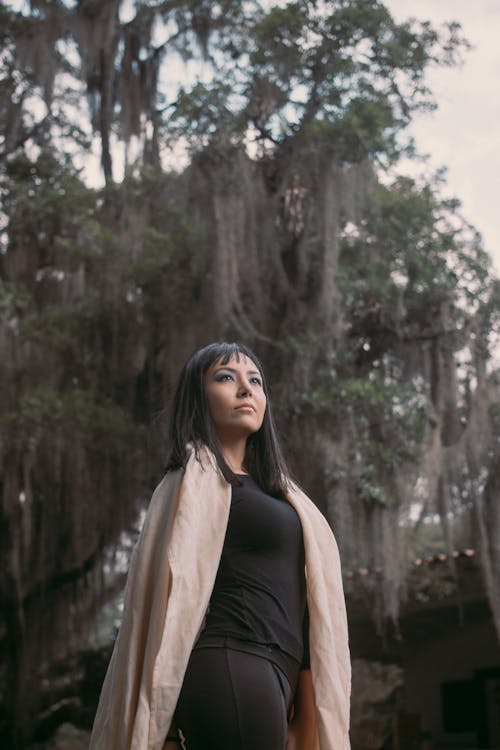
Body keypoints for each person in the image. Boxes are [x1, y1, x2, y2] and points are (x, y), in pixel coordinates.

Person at [89, 342, 351, 750]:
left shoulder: (288, 498)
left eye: (256, 381)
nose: (246, 390)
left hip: (277, 677)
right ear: (199, 397)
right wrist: (169, 719)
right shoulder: (191, 484)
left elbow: (307, 610)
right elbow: (168, 605)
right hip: (232, 660)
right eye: (226, 378)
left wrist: (306, 710)